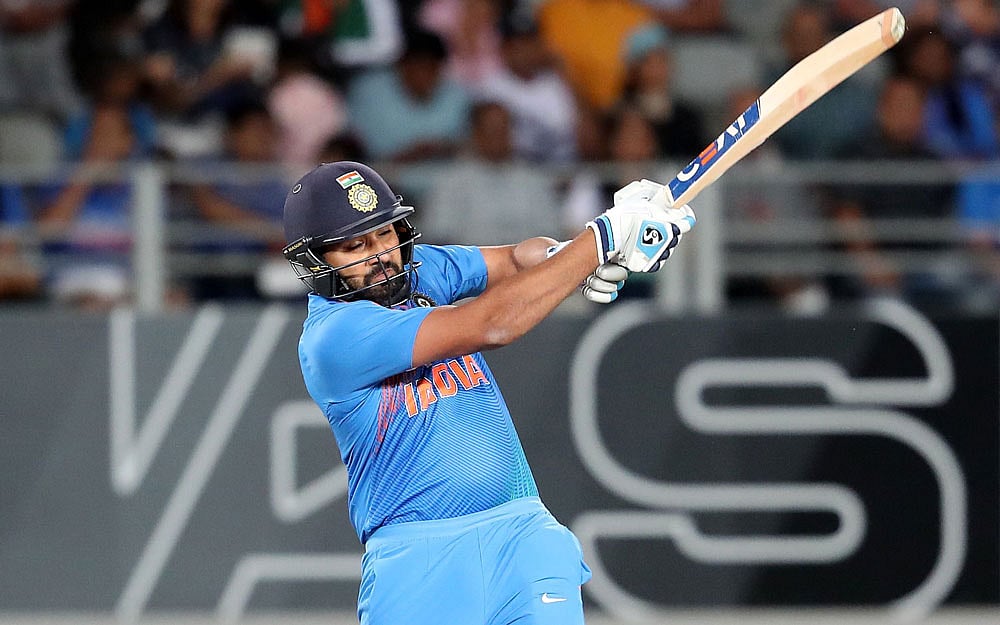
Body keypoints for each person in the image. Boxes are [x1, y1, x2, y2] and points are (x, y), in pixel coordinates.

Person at [281, 161, 695, 624]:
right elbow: (490, 325)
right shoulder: (333, 338)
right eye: (355, 246)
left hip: (524, 537)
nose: (380, 255)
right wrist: (600, 240)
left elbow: (517, 259)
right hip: (418, 563)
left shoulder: (417, 273)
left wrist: (583, 256)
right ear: (314, 264)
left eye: (385, 234)